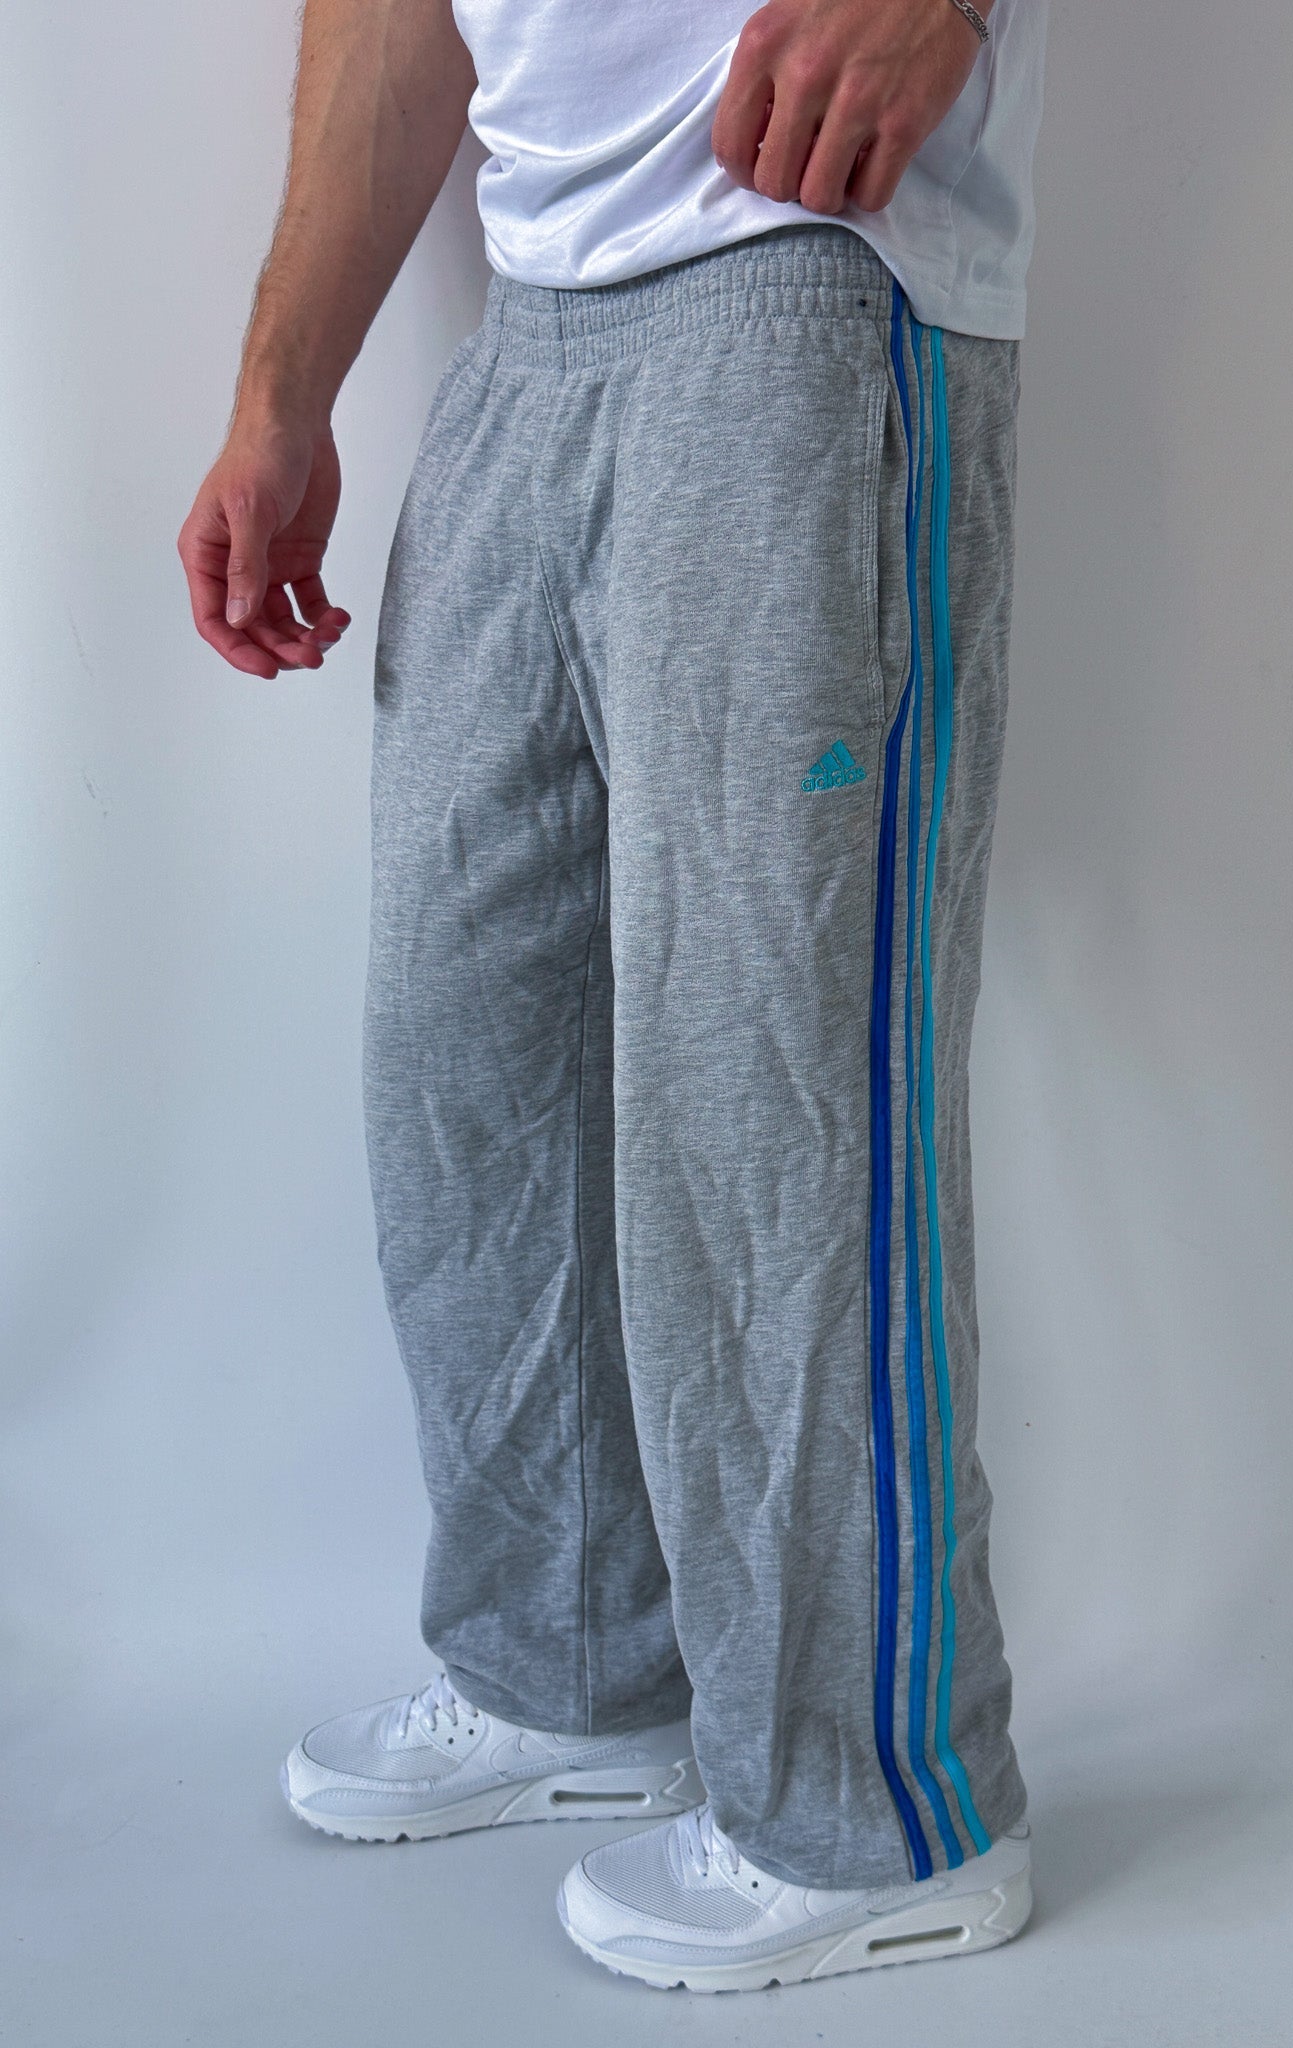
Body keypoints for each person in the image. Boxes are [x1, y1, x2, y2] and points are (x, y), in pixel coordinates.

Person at [179, 0, 1048, 1994]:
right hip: (531, 323)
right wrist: (284, 385)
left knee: (776, 1102)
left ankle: (884, 1810)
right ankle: (572, 1665)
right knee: (470, 1065)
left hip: (807, 266)